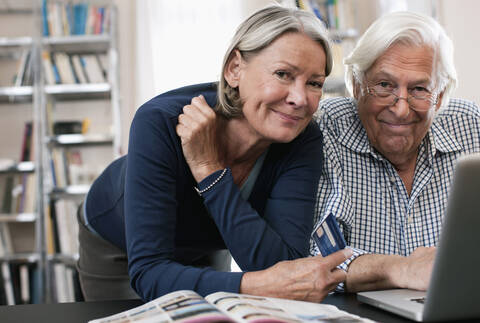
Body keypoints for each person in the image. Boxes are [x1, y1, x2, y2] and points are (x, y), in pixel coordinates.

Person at [77, 5, 352, 303]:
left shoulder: (303, 137)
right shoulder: (161, 121)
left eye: (314, 83)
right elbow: (150, 272)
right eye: (283, 74)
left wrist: (209, 170)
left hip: (206, 245)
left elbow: (281, 267)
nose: (299, 99)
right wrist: (258, 284)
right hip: (118, 244)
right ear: (234, 69)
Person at [311, 11, 480, 293]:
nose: (401, 109)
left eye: (419, 89)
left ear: (439, 97)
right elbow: (313, 258)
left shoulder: (470, 125)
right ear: (356, 84)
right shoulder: (326, 129)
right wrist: (402, 269)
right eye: (384, 85)